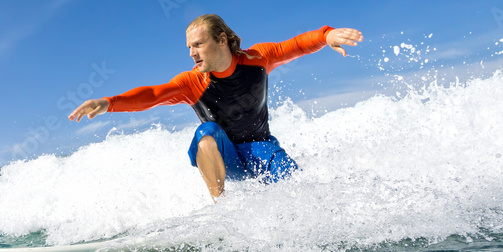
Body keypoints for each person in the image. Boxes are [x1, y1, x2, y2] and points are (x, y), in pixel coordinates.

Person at [68, 15, 363, 200]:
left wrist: (327, 36)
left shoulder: (258, 59)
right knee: (206, 131)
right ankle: (221, 211)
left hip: (262, 150)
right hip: (223, 157)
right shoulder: (191, 82)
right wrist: (109, 103)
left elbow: (296, 45)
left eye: (197, 44)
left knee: (301, 192)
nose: (192, 53)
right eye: (188, 47)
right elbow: (154, 94)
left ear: (221, 40)